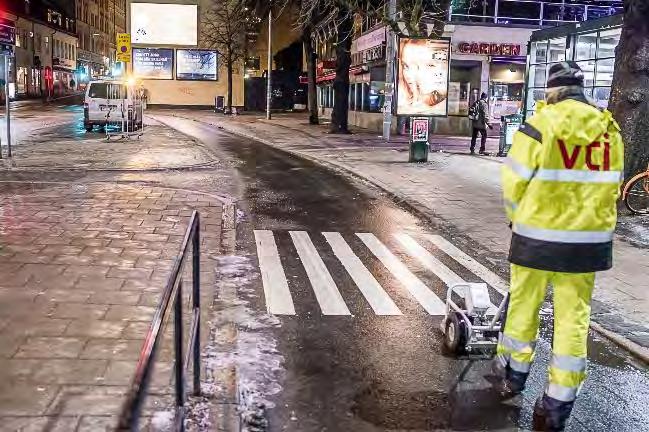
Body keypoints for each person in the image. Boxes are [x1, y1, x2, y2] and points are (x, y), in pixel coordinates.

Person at [494, 61, 624, 431]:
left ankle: (513, 376)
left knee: (523, 307)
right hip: (586, 244)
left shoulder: (541, 124)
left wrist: (516, 219)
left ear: (552, 90)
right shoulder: (610, 130)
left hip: (537, 237)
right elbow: (614, 186)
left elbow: (514, 181)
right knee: (573, 320)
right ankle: (557, 404)